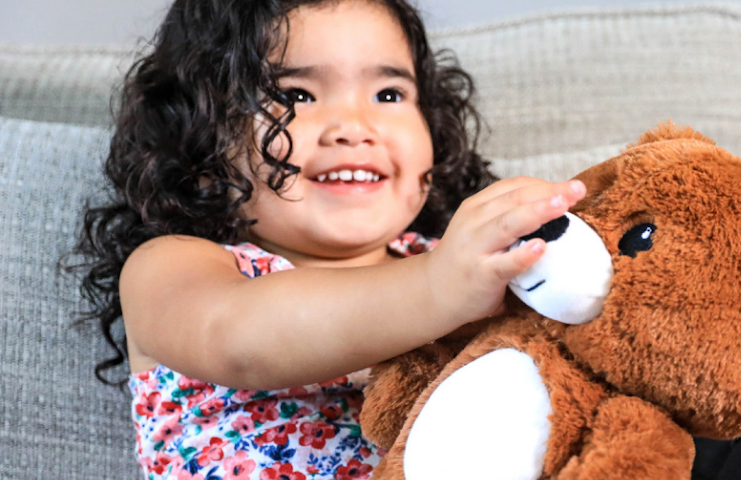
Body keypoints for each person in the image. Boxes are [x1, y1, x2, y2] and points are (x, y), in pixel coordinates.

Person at [74, 0, 583, 477]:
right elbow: (238, 341)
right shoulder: (175, 267)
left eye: (389, 94)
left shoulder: (458, 265)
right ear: (201, 139)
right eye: (295, 95)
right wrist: (439, 286)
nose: (353, 127)